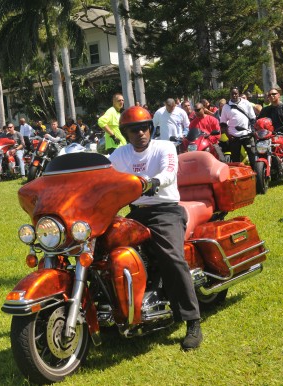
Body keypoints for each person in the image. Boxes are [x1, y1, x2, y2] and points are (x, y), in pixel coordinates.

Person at [109, 105, 202, 351]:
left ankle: (192, 321)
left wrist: (155, 182)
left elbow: (169, 171)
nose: (140, 133)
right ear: (125, 133)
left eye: (143, 128)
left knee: (172, 257)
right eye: (133, 130)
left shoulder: (164, 147)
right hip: (137, 213)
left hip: (166, 210)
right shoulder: (120, 154)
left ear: (150, 128)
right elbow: (103, 173)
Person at [219, 87, 257, 170]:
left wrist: (252, 131)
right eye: (232, 93)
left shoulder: (246, 103)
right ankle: (238, 176)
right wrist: (228, 135)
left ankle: (257, 175)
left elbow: (253, 118)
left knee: (252, 155)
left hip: (247, 135)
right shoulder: (226, 107)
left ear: (239, 94)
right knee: (235, 159)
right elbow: (223, 123)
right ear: (230, 94)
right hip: (233, 136)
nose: (234, 95)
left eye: (236, 93)